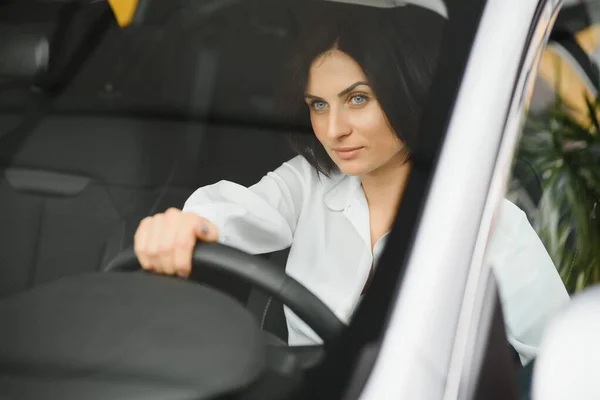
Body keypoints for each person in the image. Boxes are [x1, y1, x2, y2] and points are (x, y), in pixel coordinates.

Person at [133, 3, 569, 364]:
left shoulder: (491, 226)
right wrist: (186, 225)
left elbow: (560, 364)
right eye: (318, 105)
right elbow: (233, 212)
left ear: (411, 92)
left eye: (357, 99)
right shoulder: (311, 183)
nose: (332, 128)